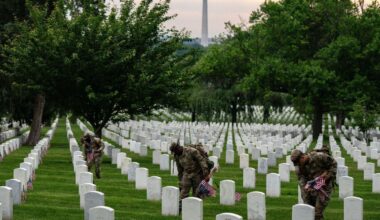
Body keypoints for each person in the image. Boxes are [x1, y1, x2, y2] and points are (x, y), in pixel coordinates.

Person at [291, 148, 337, 220]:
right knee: (309, 211)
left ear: (303, 157)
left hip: (324, 187)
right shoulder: (299, 167)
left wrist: (327, 177)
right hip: (310, 188)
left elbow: (333, 164)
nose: (298, 165)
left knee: (317, 213)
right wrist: (307, 189)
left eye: (299, 162)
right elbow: (302, 181)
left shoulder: (319, 157)